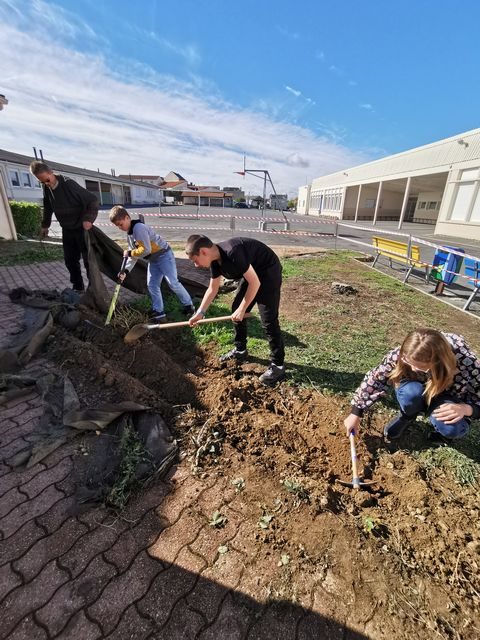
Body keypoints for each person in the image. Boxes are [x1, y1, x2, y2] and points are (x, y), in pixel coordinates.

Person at [344, 328, 480, 441]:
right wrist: (356, 413)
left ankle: (442, 433)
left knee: (451, 428)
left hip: (447, 395)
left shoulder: (467, 363)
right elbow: (376, 379)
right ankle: (407, 416)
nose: (413, 369)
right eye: (408, 363)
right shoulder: (406, 353)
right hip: (416, 387)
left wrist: (466, 409)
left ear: (438, 362)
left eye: (420, 368)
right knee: (410, 394)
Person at [185, 234, 285, 385]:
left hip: (268, 271)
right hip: (252, 273)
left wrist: (243, 308)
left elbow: (255, 283)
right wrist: (200, 313)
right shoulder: (215, 261)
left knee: (268, 320)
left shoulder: (233, 253)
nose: (196, 265)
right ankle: (240, 350)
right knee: (235, 309)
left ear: (204, 251)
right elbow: (213, 289)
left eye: (195, 260)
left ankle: (278, 366)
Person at [109, 206, 194, 323]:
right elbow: (133, 257)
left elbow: (146, 250)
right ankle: (158, 311)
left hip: (164, 255)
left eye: (120, 224)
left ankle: (189, 306)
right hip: (154, 260)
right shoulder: (130, 235)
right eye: (117, 226)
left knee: (172, 282)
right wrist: (126, 271)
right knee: (152, 285)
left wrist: (130, 252)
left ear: (127, 217)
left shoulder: (139, 228)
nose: (119, 227)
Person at [30, 161, 98, 292]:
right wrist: (45, 225)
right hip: (67, 229)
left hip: (81, 228)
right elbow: (48, 207)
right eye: (42, 182)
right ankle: (78, 287)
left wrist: (88, 219)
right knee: (70, 260)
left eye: (47, 180)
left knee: (88, 261)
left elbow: (92, 200)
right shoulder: (47, 188)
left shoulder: (69, 184)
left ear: (51, 172)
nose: (46, 184)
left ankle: (93, 289)